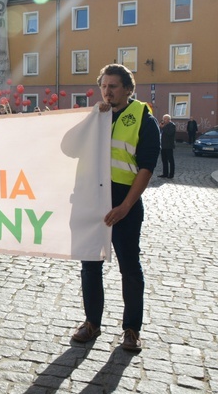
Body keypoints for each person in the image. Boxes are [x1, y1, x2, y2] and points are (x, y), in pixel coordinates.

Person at [71, 64, 160, 353]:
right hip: (92, 200)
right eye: (104, 86)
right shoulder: (95, 116)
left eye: (113, 86)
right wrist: (88, 120)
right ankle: (91, 323)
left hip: (125, 203)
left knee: (130, 268)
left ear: (128, 89)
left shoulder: (144, 119)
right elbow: (68, 148)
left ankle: (131, 330)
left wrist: (125, 206)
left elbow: (146, 167)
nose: (107, 92)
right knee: (90, 264)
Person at [158, 114, 176, 179]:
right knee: (164, 160)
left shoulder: (172, 125)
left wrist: (163, 127)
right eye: (163, 119)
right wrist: (160, 127)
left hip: (169, 146)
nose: (164, 120)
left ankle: (171, 174)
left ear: (169, 119)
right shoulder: (164, 125)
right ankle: (165, 173)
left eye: (165, 119)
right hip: (163, 145)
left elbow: (169, 133)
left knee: (170, 160)